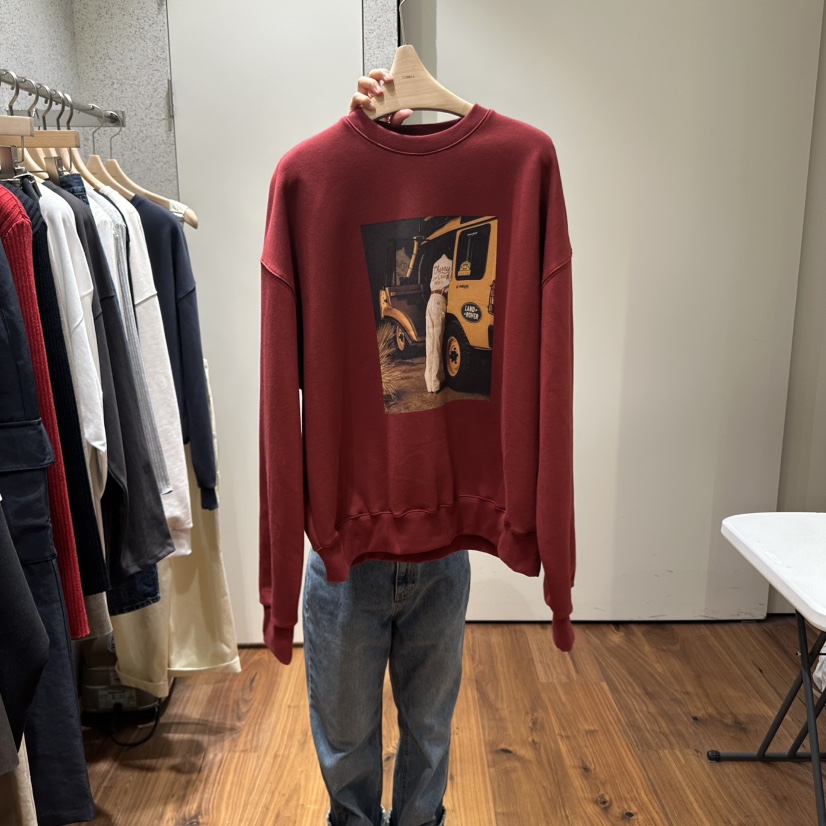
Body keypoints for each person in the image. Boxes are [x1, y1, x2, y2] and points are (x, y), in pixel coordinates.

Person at [300, 69, 471, 826]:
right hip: (347, 540)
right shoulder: (320, 189)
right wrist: (357, 153)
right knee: (345, 743)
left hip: (442, 533)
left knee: (430, 734)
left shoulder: (492, 180)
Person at [424, 249, 452, 393]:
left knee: (430, 343)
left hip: (431, 300)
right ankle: (435, 384)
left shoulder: (436, 264)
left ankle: (429, 382)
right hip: (440, 300)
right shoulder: (451, 263)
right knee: (437, 342)